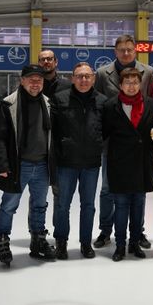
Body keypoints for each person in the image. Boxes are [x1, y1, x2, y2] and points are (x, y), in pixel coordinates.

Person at [94, 34, 153, 249]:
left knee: (139, 191)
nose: (126, 53)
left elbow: (149, 105)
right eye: (122, 50)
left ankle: (138, 233)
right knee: (107, 189)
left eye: (130, 49)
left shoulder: (147, 72)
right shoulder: (103, 73)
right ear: (115, 51)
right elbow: (101, 106)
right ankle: (105, 231)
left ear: (135, 50)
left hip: (138, 146)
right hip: (112, 145)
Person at [0, 64, 56, 265]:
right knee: (9, 205)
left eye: (39, 80)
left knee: (40, 205)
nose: (35, 83)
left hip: (42, 165)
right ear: (22, 80)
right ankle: (2, 239)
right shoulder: (8, 104)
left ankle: (38, 239)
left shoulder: (48, 103)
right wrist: (2, 165)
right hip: (18, 165)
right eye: (31, 79)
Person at [51, 62, 107, 259]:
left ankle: (85, 243)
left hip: (91, 163)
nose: (84, 80)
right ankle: (61, 242)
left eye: (87, 76)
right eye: (79, 76)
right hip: (66, 163)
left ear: (93, 78)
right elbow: (54, 132)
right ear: (73, 78)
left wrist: (98, 146)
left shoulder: (102, 101)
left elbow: (106, 131)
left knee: (88, 205)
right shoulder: (59, 99)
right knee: (62, 205)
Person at [102, 68, 153, 261]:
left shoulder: (150, 104)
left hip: (141, 163)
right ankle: (120, 245)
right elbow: (103, 134)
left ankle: (134, 243)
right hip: (119, 163)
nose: (131, 86)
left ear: (140, 84)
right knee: (122, 205)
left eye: (135, 82)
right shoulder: (110, 106)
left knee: (138, 206)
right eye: (127, 83)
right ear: (120, 85)